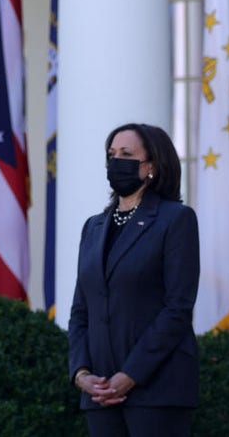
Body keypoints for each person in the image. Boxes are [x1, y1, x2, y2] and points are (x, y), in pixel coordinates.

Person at [68, 123, 200, 436]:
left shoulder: (175, 220)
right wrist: (81, 372)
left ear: (151, 165)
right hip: (99, 391)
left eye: (126, 154)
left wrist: (130, 373)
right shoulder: (93, 227)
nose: (116, 162)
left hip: (157, 390)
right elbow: (80, 311)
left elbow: (178, 307)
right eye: (111, 155)